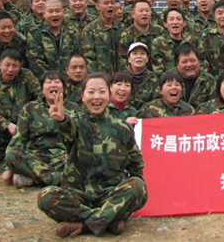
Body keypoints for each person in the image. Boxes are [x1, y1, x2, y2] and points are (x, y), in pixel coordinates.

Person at [38, 73, 147, 237]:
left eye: (102, 92)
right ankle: (108, 220)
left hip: (110, 195)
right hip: (78, 196)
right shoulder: (76, 124)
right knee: (46, 197)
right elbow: (67, 129)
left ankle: (84, 226)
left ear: (109, 95)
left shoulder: (122, 128)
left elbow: (136, 164)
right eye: (91, 92)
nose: (96, 97)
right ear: (83, 96)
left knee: (138, 187)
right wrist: (61, 120)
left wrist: (132, 195)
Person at [2, 71, 70, 188]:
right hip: (35, 158)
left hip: (62, 158)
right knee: (12, 154)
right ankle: (59, 179)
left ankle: (34, 179)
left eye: (57, 82)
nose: (53, 85)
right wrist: (8, 168)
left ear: (63, 88)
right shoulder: (30, 108)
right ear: (42, 89)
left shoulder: (73, 108)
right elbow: (18, 139)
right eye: (49, 82)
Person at [0, 49, 41, 172]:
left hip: (25, 126)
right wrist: (6, 124)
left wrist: (28, 119)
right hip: (4, 129)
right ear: (0, 65)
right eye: (7, 65)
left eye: (15, 66)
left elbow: (40, 96)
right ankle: (4, 158)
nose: (10, 69)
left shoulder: (26, 76)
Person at [26, 0, 80, 78]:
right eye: (50, 11)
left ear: (63, 12)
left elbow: (77, 57)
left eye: (58, 11)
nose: (54, 15)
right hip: (45, 80)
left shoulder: (72, 33)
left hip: (69, 80)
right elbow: (35, 61)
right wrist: (54, 78)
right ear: (44, 14)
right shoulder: (35, 33)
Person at [81, 0, 121, 74]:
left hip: (120, 78)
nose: (110, 6)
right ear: (97, 7)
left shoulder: (122, 28)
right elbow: (88, 59)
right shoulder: (90, 30)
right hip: (100, 77)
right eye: (106, 3)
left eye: (112, 3)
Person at [151, 8, 199, 74]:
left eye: (178, 19)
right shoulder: (158, 43)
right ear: (165, 24)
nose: (175, 22)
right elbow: (158, 71)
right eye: (171, 19)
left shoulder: (192, 41)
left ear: (184, 23)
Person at [174, 44, 216, 108]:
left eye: (192, 61)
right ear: (177, 64)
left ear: (199, 62)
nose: (189, 65)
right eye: (184, 62)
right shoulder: (169, 78)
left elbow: (213, 106)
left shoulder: (210, 81)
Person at [124, 42, 159, 109]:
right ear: (129, 59)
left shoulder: (154, 78)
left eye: (142, 53)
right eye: (135, 53)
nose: (139, 56)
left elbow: (156, 102)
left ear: (147, 59)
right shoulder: (121, 78)